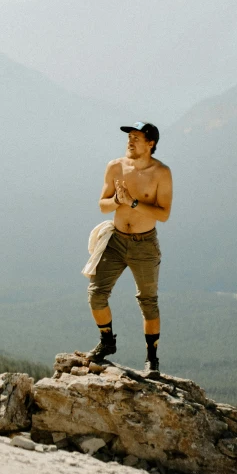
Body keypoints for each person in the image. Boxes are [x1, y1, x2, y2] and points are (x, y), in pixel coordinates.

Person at [86, 122, 173, 375]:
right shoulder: (115, 167)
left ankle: (151, 358)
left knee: (148, 301)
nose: (130, 141)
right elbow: (103, 205)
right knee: (96, 293)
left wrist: (132, 203)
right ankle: (107, 342)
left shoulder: (161, 173)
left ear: (151, 144)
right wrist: (117, 200)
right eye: (129, 137)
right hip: (115, 239)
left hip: (144, 243)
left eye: (137, 137)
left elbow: (164, 213)